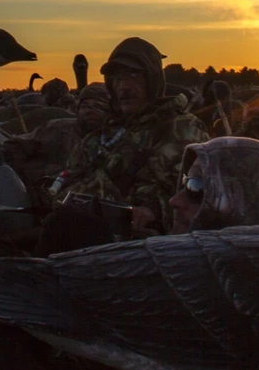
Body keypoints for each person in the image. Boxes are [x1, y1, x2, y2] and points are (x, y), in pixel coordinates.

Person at [56, 37, 210, 235]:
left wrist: (153, 213)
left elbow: (200, 197)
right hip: (81, 240)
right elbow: (63, 186)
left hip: (144, 249)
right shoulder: (96, 139)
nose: (124, 87)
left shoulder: (183, 131)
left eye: (134, 75)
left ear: (153, 79)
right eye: (117, 78)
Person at [3, 83, 110, 186]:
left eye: (97, 106)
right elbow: (14, 147)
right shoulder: (59, 128)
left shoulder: (118, 138)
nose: (88, 111)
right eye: (84, 106)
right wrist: (40, 172)